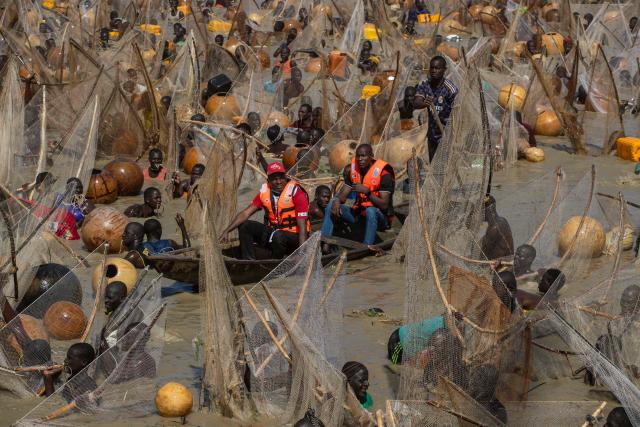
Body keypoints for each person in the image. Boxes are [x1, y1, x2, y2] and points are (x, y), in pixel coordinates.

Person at [220, 162, 309, 259]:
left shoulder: (297, 193)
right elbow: (245, 213)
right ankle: (249, 260)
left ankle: (276, 261)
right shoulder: (264, 193)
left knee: (278, 235)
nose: (279, 181)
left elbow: (302, 226)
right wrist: (227, 230)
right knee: (245, 225)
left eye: (281, 177)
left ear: (285, 177)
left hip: (293, 237)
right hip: (274, 234)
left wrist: (302, 252)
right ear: (268, 180)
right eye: (274, 179)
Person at [321, 144, 395, 248]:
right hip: (360, 215)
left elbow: (384, 205)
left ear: (371, 156)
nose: (360, 159)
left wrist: (368, 192)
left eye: (363, 156)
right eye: (358, 156)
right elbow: (342, 195)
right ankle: (324, 241)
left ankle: (366, 246)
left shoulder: (383, 174)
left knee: (371, 210)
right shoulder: (354, 171)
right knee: (332, 203)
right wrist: (337, 200)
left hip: (380, 218)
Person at [413, 56, 458, 161]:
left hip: (447, 135)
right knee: (434, 165)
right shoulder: (425, 84)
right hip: (433, 134)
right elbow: (416, 102)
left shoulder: (450, 89)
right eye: (432, 68)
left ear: (444, 70)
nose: (434, 71)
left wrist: (452, 135)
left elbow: (457, 113)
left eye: (437, 68)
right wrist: (424, 103)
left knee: (445, 165)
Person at [480, 195, 514, 260]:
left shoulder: (495, 227)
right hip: (500, 263)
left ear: (484, 211)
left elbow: (481, 251)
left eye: (478, 211)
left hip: (502, 267)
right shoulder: (502, 221)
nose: (477, 214)